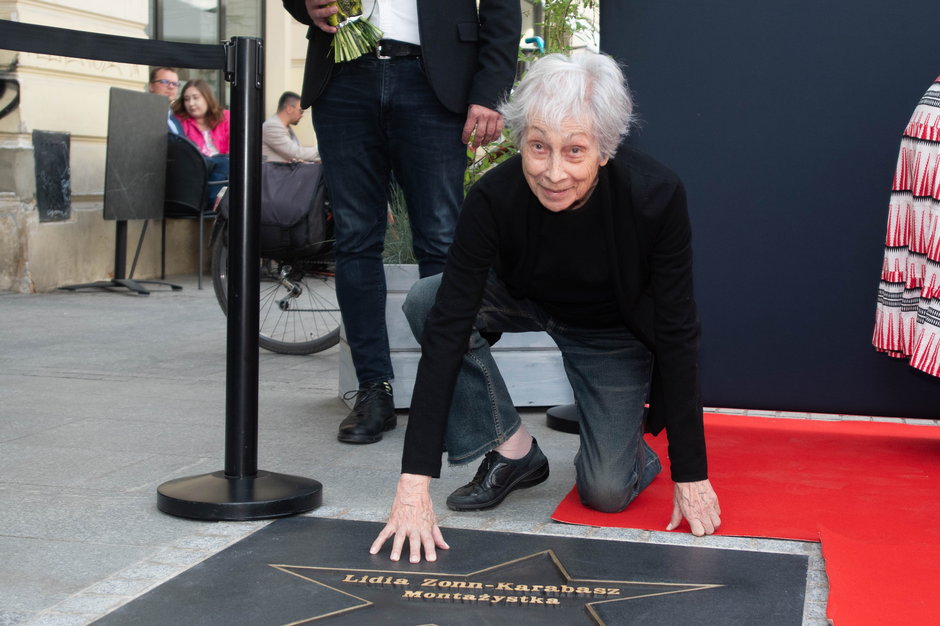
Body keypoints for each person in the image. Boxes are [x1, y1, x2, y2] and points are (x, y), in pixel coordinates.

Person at [369, 51, 722, 564]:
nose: (553, 172)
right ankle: (511, 447)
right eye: (538, 147)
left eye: (574, 151)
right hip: (524, 300)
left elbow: (677, 331)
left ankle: (628, 453)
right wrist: (412, 485)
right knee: (428, 299)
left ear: (604, 149)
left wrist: (691, 475)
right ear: (520, 142)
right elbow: (447, 330)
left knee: (605, 492)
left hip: (611, 330)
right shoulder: (493, 196)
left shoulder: (656, 196)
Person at [282, 0, 522, 445]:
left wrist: (489, 92)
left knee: (442, 240)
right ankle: (374, 388)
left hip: (435, 80)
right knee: (355, 239)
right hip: (342, 76)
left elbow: (502, 8)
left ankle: (452, 388)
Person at [172, 79, 230, 203]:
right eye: (186, 99)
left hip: (224, 173)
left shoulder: (225, 118)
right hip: (197, 174)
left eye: (195, 97)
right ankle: (212, 204)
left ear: (207, 97)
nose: (191, 103)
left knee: (226, 162)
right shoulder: (180, 121)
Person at [262, 91, 320, 163]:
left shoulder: (285, 127)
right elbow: (296, 153)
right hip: (277, 172)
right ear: (289, 109)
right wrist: (323, 150)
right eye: (300, 111)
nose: (302, 115)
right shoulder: (272, 127)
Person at [147, 66, 183, 135]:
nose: (171, 87)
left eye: (175, 84)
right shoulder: (142, 116)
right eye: (165, 82)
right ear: (151, 86)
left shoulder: (176, 121)